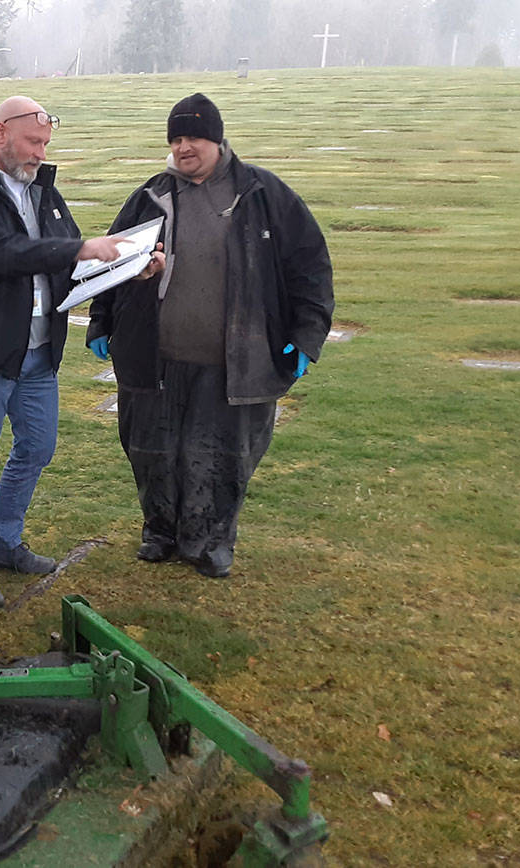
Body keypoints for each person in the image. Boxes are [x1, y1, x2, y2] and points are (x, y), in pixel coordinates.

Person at [85, 93, 333, 578]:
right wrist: (101, 320)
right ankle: (160, 532)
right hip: (155, 359)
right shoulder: (150, 196)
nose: (184, 147)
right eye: (176, 138)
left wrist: (307, 337)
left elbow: (311, 269)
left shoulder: (263, 194)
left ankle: (211, 542)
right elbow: (112, 263)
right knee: (151, 451)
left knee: (221, 456)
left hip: (234, 362)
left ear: (218, 140)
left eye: (194, 137)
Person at [0, 95, 125, 607]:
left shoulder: (45, 192)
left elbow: (72, 260)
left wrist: (126, 269)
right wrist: (75, 249)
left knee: (37, 447)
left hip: (39, 353)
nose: (41, 153)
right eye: (33, 142)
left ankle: (4, 542)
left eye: (45, 144)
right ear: (0, 133)